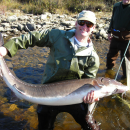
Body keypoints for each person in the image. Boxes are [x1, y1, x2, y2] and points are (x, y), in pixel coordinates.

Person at [0, 10, 100, 130]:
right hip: (46, 93)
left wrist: (91, 98)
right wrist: (6, 48)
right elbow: (31, 38)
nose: (84, 27)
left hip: (74, 98)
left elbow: (88, 82)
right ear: (76, 23)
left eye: (88, 24)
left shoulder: (93, 58)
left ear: (93, 28)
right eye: (82, 22)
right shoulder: (57, 36)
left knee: (91, 127)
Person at [106, 0, 130, 79]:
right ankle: (109, 73)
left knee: (126, 61)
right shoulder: (116, 6)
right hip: (115, 37)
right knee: (110, 57)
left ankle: (126, 79)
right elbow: (112, 19)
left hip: (126, 39)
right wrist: (109, 31)